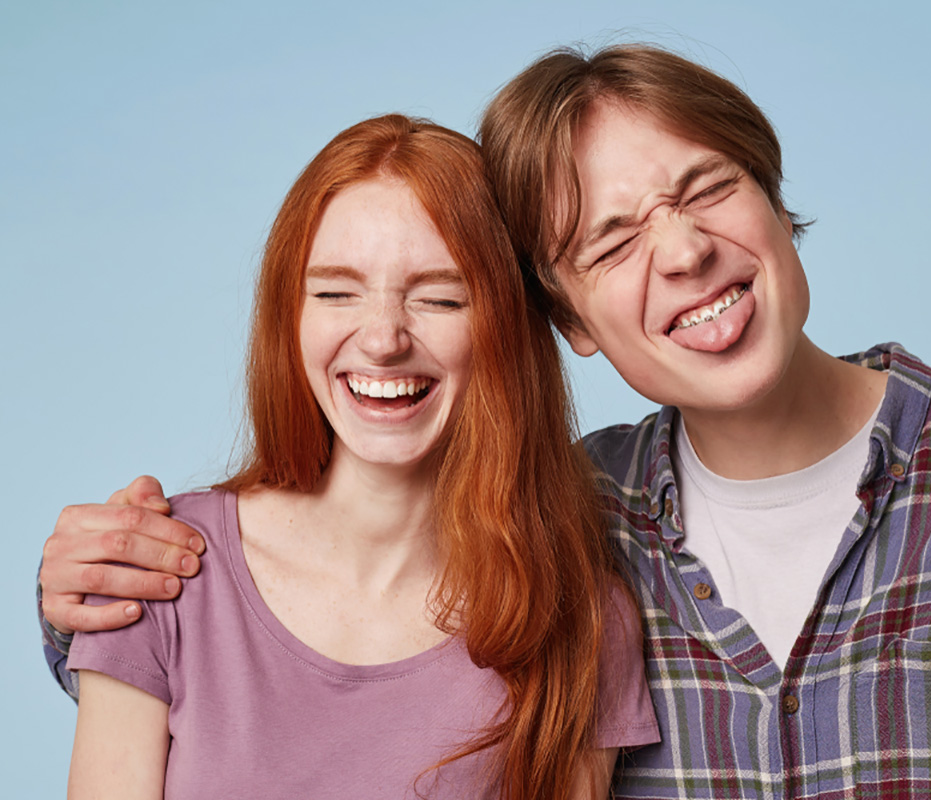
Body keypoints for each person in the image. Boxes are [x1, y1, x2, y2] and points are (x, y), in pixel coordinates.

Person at [41, 44, 931, 799]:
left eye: (703, 190)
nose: (684, 251)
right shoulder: (561, 525)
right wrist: (94, 601)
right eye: (611, 242)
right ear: (572, 323)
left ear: (775, 197)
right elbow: (316, 613)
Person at [55, 113, 658, 800]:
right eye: (336, 292)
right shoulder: (157, 568)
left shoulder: (577, 617)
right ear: (291, 316)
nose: (382, 339)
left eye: (439, 297)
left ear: (506, 330)